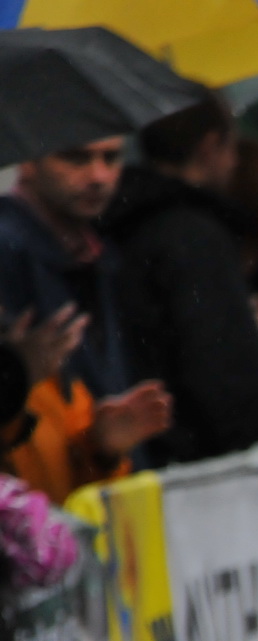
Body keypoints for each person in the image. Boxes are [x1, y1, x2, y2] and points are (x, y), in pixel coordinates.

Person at [103, 88, 258, 464]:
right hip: (208, 465)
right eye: (232, 147)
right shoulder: (194, 236)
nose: (235, 163)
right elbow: (222, 370)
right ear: (210, 146)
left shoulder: (122, 225)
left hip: (155, 453)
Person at [0, 136, 174, 502]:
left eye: (111, 158)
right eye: (75, 158)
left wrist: (100, 447)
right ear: (28, 161)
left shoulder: (96, 252)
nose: (98, 176)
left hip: (70, 512)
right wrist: (15, 376)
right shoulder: (12, 250)